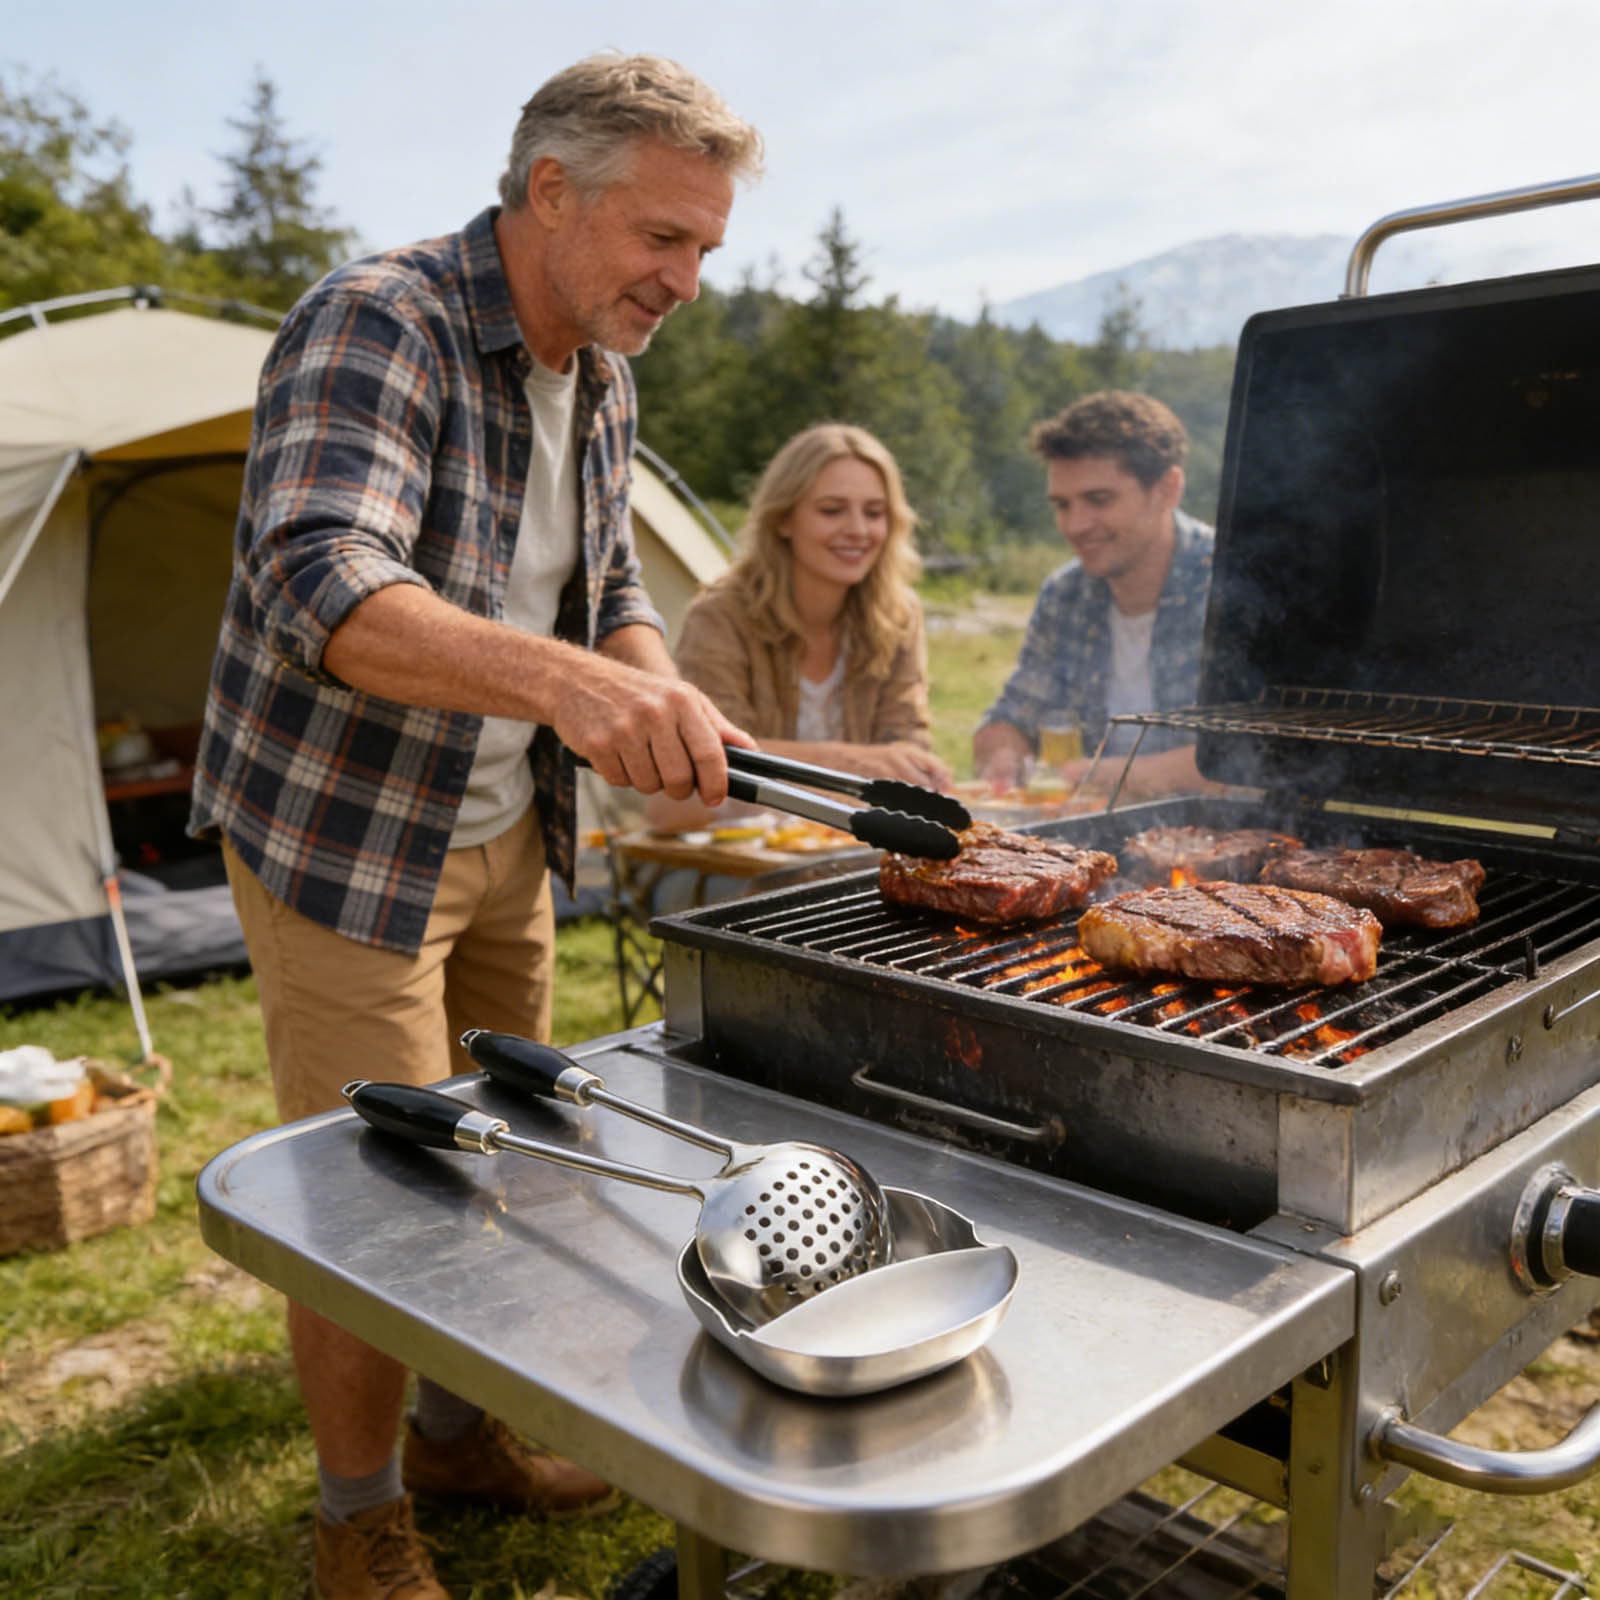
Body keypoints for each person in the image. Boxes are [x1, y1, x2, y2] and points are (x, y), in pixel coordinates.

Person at [188, 54, 762, 1600]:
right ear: (552, 193)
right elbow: (318, 573)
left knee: (503, 1151)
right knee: (368, 1184)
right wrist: (575, 686)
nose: (688, 280)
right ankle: (355, 1516)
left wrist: (662, 698)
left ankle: (455, 1432)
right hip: (347, 831)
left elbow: (617, 596)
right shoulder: (385, 318)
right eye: (664, 238)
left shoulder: (605, 371)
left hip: (513, 824)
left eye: (706, 248)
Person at [648, 422, 949, 835]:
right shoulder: (720, 616)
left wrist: (912, 767)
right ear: (784, 519)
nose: (859, 530)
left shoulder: (898, 616)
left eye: (874, 513)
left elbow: (908, 746)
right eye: (832, 510)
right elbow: (710, 759)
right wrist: (849, 763)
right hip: (721, 854)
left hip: (846, 848)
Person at [973, 390, 1215, 801]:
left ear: (1167, 489)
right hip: (1091, 842)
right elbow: (1011, 718)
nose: (1075, 525)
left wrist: (1104, 775)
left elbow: (1262, 759)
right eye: (1062, 505)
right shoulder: (1064, 595)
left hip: (1227, 841)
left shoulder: (1230, 582)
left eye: (1098, 500)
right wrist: (1004, 754)